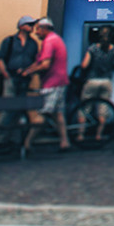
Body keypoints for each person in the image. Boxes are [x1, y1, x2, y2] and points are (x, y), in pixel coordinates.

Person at [24, 18, 70, 151]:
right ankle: (64, 141)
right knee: (58, 114)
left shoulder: (49, 42)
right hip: (61, 82)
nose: (36, 32)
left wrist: (28, 72)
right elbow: (39, 61)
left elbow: (44, 64)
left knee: (43, 113)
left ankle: (27, 143)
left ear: (45, 28)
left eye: (38, 29)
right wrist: (29, 69)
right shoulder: (56, 39)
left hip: (52, 83)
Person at [73, 29, 114, 143]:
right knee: (103, 109)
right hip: (106, 82)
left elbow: (84, 65)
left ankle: (81, 135)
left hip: (92, 81)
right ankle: (98, 135)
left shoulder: (92, 48)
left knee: (85, 108)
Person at [0, 16, 38, 97]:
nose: (32, 26)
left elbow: (35, 60)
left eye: (33, 24)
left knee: (21, 104)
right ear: (21, 26)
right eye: (29, 24)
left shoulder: (33, 43)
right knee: (8, 102)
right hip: (11, 76)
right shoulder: (10, 41)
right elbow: (0, 58)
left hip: (25, 78)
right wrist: (5, 74)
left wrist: (30, 73)